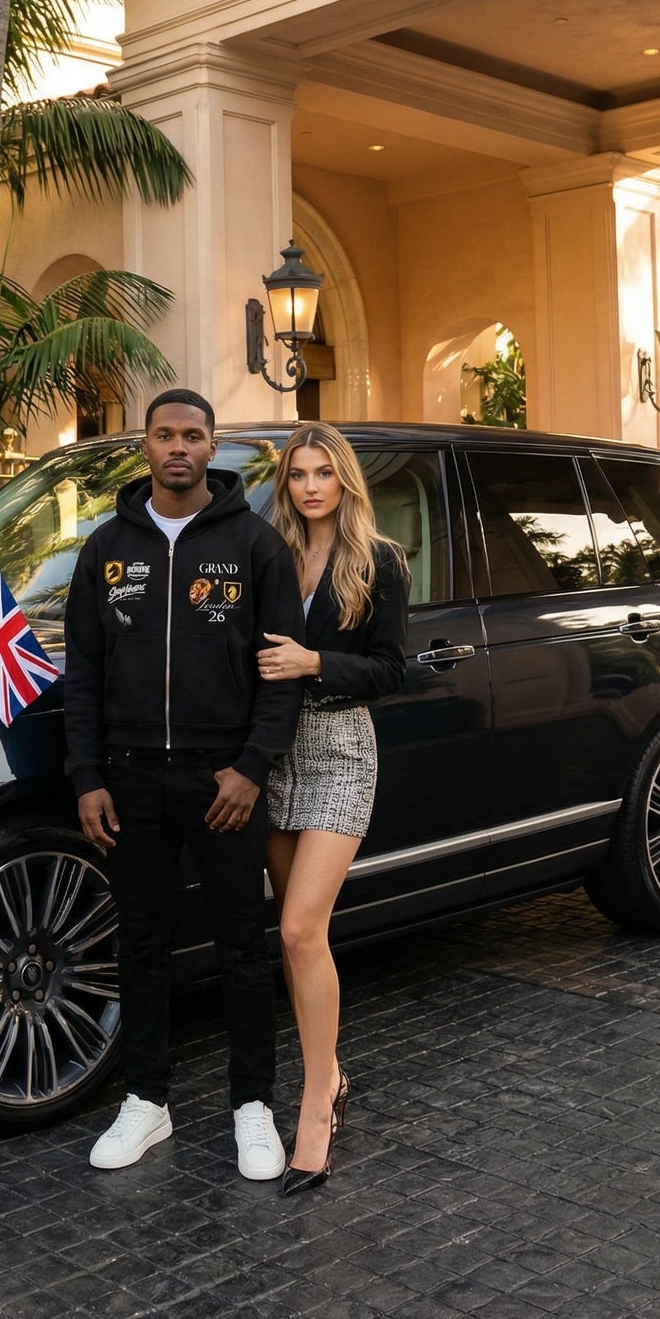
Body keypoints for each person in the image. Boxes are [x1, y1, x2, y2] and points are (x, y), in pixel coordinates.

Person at [65, 389, 305, 1179]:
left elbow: (280, 676)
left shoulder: (256, 546)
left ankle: (251, 1106)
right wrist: (88, 776)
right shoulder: (105, 549)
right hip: (130, 782)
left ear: (213, 448)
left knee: (241, 946)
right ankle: (147, 1102)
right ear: (144, 446)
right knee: (141, 944)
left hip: (223, 782)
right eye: (164, 435)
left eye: (192, 436)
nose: (178, 448)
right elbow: (85, 675)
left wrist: (249, 768)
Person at [257, 422, 407, 1193]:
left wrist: (315, 661)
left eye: (322, 472)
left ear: (344, 480)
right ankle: (333, 1071)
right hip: (271, 750)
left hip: (341, 746)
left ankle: (316, 1105)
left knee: (297, 926)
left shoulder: (378, 561)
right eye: (297, 474)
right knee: (293, 939)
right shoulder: (268, 554)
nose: (310, 485)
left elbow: (390, 669)